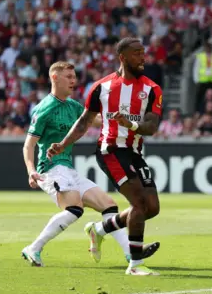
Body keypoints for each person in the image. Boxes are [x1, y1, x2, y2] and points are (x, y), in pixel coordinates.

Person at [22, 61, 159, 267]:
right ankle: (34, 248)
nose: (73, 80)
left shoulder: (74, 106)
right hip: (50, 169)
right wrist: (31, 171)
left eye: (74, 76)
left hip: (67, 168)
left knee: (109, 205)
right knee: (74, 208)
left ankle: (130, 253)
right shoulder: (44, 109)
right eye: (68, 76)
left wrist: (121, 118)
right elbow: (28, 145)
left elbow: (97, 121)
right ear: (54, 78)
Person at [47, 38, 163, 276]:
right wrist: (62, 144)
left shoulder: (152, 89)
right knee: (139, 203)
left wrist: (128, 124)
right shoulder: (101, 87)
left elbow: (151, 126)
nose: (142, 58)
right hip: (110, 151)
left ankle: (99, 229)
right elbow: (84, 122)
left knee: (151, 208)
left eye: (143, 53)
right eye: (136, 54)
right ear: (122, 57)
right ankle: (135, 264)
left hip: (135, 152)